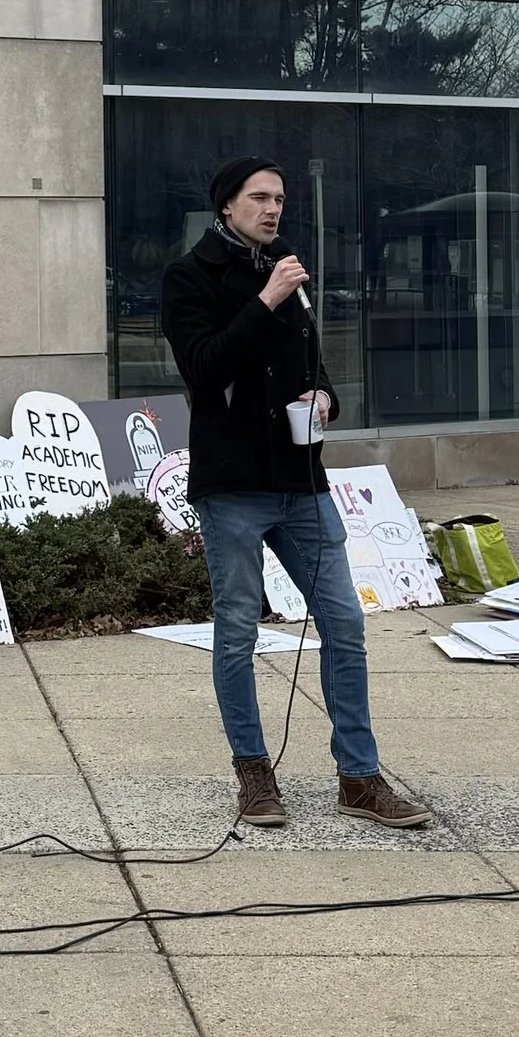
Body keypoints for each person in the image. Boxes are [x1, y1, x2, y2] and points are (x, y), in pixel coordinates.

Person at [160, 156, 427, 833]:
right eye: (259, 197)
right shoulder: (190, 277)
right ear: (227, 205)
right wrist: (266, 300)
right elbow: (204, 364)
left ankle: (359, 778)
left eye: (279, 198)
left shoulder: (285, 267)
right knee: (237, 631)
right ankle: (254, 773)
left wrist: (326, 398)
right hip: (234, 486)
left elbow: (313, 359)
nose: (273, 209)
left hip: (301, 482)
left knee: (344, 622)